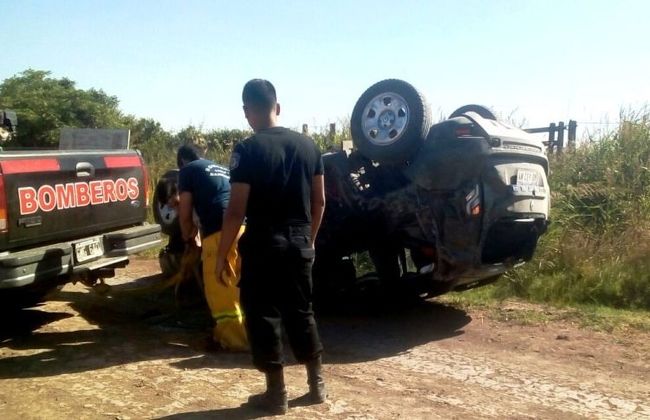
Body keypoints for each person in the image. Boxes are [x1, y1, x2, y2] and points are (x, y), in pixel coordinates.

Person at [216, 79, 327, 415]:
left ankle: (276, 394)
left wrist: (221, 255)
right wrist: (310, 239)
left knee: (263, 314)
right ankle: (316, 385)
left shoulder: (246, 149)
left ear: (248, 112)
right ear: (277, 107)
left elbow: (236, 210)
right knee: (301, 311)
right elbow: (320, 201)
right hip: (298, 242)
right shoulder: (309, 146)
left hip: (263, 243)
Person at [176, 143, 248, 351]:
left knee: (221, 289)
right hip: (243, 229)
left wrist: (186, 234)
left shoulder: (188, 170)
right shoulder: (222, 169)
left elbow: (185, 208)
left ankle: (234, 341)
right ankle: (247, 335)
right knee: (241, 286)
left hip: (219, 233)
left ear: (182, 161)